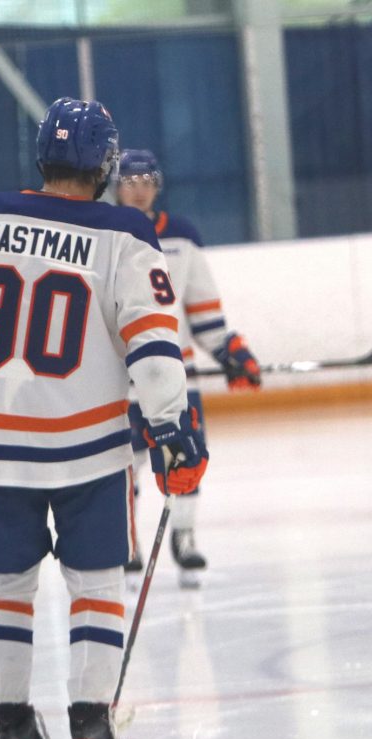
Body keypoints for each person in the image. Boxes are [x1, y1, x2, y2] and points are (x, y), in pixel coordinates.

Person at [0, 97, 207, 739]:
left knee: (3, 591)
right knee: (95, 587)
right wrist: (169, 429)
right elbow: (154, 345)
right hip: (90, 450)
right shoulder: (125, 234)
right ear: (105, 164)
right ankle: (92, 728)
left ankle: (13, 733)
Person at [116, 148, 261, 588]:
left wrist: (231, 352)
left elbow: (203, 312)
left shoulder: (182, 236)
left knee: (185, 454)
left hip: (176, 376)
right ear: (116, 186)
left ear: (158, 186)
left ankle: (184, 537)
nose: (139, 190)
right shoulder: (103, 235)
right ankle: (126, 540)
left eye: (147, 181)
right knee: (124, 462)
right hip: (120, 381)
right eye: (130, 181)